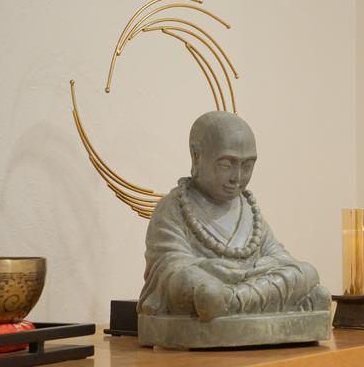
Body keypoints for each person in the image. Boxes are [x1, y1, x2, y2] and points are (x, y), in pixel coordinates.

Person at [138, 111, 330, 321]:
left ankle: (232, 303)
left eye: (247, 166)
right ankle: (234, 302)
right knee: (199, 285)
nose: (237, 178)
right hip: (212, 284)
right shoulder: (174, 207)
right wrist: (207, 267)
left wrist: (252, 270)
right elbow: (168, 268)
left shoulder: (248, 208)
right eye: (226, 165)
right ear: (197, 156)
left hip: (239, 287)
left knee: (307, 272)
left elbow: (279, 256)